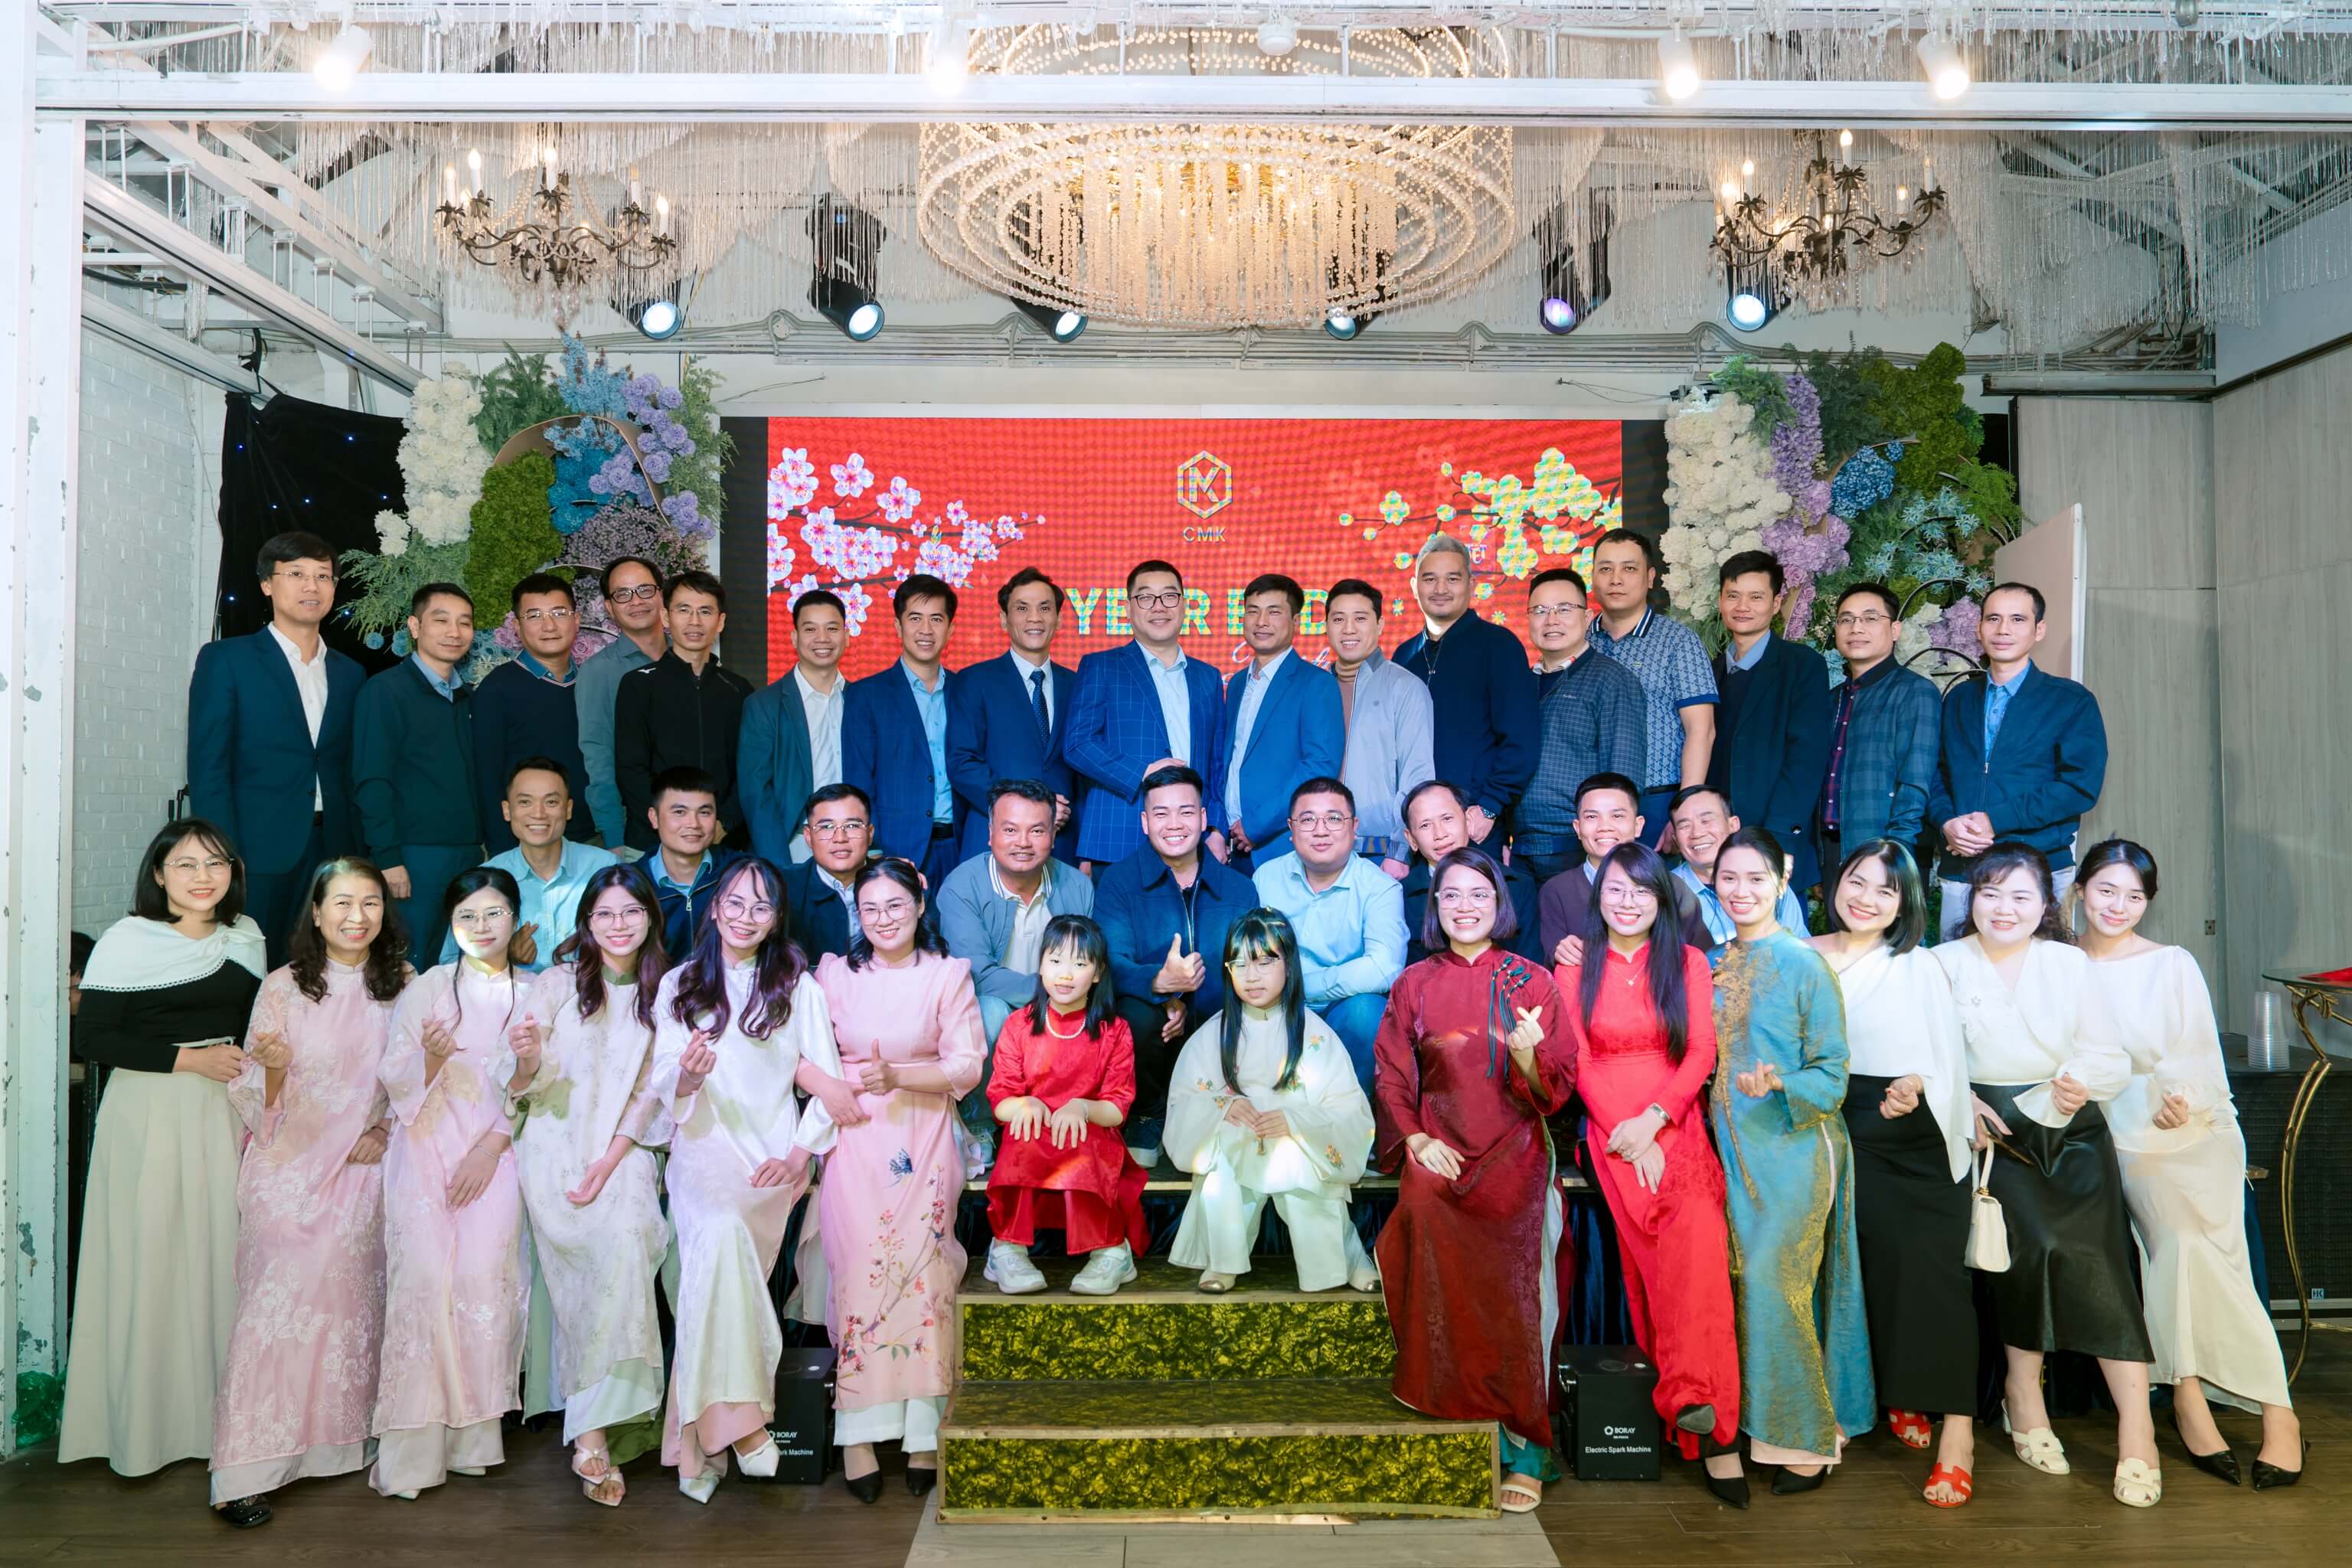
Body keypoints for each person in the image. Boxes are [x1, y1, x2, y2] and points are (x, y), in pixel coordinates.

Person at [1935, 844, 2160, 1508]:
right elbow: (1924, 1054)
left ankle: (2138, 1429)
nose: (2004, 909)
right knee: (2026, 1257)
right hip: (1994, 1136)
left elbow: (2109, 1056)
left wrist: (2079, 1083)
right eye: (1990, 893)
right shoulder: (1941, 963)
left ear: (2046, 904)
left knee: (2102, 1262)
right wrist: (1961, 1101)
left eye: (2020, 896)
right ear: (1971, 898)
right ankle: (2022, 1394)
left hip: (2073, 1132)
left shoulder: (2068, 963)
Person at [2075, 839, 2301, 1489]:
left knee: (2217, 1247)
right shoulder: (2060, 966)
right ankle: (2192, 1395)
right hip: (2121, 1136)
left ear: (2149, 902)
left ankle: (2275, 1412)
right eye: (2106, 891)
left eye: (2134, 896)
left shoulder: (2171, 963)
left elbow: (2198, 1055)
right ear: (2080, 889)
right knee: (2179, 1242)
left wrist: (2181, 1102)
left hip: (2196, 1125)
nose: (2118, 906)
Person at [60, 821, 267, 1476]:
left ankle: (219, 1427)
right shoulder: (127, 941)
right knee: (150, 1257)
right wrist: (188, 1060)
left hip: (222, 1112)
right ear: (158, 874)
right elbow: (94, 1038)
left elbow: (258, 1025)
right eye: (185, 865)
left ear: (233, 872)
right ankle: (143, 1432)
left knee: (218, 1256)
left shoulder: (246, 936)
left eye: (215, 864)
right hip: (148, 1110)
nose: (203, 877)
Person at [1373, 847, 1576, 1512]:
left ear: (1499, 904)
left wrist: (1526, 1055)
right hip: (1440, 1150)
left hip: (1516, 1152)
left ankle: (1528, 1444)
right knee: (1424, 1210)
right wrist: (1417, 1139)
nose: (1465, 906)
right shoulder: (1413, 983)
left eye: (1479, 894)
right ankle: (1455, 1409)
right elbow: (1392, 1077)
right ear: (1435, 906)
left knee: (1519, 1287)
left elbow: (1553, 1093)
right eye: (1451, 895)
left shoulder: (1533, 981)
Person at [208, 858, 406, 1528]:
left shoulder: (406, 985)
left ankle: (337, 1446)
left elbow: (421, 1082)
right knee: (276, 1308)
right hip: (287, 1166)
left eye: (370, 902)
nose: (357, 916)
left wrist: (384, 1127)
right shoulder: (283, 987)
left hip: (362, 1166)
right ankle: (243, 1470)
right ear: (316, 914)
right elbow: (254, 1097)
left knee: (349, 1298)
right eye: (342, 903)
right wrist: (272, 1072)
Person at [652, 856, 852, 1503]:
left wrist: (798, 1157)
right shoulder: (681, 983)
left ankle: (697, 1451)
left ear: (776, 918)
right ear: (714, 908)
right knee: (719, 1240)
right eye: (734, 903)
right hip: (702, 1153)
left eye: (761, 907)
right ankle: (742, 1429)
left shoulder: (797, 985)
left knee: (710, 1280)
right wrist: (687, 1074)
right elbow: (663, 1082)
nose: (745, 916)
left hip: (770, 1161)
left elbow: (826, 1082)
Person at [1554, 843, 1745, 1507]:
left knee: (1697, 1244)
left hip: (1676, 1119)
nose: (1628, 901)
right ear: (1598, 897)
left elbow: (1701, 1051)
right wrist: (1630, 1135)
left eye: (1642, 890)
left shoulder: (1687, 962)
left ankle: (1707, 1416)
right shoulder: (1573, 968)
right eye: (1615, 889)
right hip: (1612, 1132)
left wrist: (1658, 1119)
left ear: (1662, 899)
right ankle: (1697, 1419)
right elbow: (1578, 1062)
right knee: (1654, 1261)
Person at [1810, 839, 1979, 1508]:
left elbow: (1946, 1058)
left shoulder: (1920, 965)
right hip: (1827, 1121)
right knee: (1863, 1270)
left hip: (1912, 1131)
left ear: (1906, 903)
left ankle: (1959, 1433)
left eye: (1886, 890)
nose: (1867, 899)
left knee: (1933, 1275)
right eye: (1858, 881)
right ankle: (1897, 1391)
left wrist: (1914, 1087)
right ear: (1836, 882)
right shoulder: (1800, 955)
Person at [812, 858, 988, 1500]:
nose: (883, 919)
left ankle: (922, 1435)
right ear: (856, 914)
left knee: (924, 1272)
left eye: (895, 905)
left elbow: (966, 1066)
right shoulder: (834, 975)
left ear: (919, 905)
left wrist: (899, 1077)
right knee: (861, 1270)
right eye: (870, 908)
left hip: (923, 1129)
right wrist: (833, 1086)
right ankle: (857, 1436)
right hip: (855, 1130)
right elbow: (801, 1053)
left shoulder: (947, 975)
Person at [1707, 826, 1873, 1491]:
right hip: (1730, 1151)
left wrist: (1780, 1084)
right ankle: (1767, 1427)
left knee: (1777, 1284)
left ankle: (1808, 1439)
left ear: (1782, 881)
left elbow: (1833, 1075)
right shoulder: (1711, 962)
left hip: (1797, 1148)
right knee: (1744, 1286)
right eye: (1728, 878)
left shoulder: (1805, 964)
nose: (1741, 891)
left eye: (1756, 878)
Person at [513, 865, 675, 1507]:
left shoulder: (665, 991)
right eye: (604, 914)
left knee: (629, 1240)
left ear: (650, 918)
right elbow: (523, 1077)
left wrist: (609, 1161)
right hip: (553, 1145)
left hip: (624, 1149)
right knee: (581, 1277)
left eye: (631, 912)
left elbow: (651, 1093)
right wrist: (527, 1056)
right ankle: (592, 1432)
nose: (618, 925)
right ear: (586, 922)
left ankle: (594, 1431)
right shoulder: (555, 984)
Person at [371, 869, 533, 1498]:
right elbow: (395, 1078)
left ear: (515, 919)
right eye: (467, 915)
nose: (481, 926)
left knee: (483, 1285)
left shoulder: (537, 993)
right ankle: (413, 1454)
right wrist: (432, 1057)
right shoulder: (428, 988)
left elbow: (543, 1088)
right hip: (423, 1153)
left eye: (494, 914)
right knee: (423, 1287)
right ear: (450, 923)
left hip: (498, 1157)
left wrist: (491, 1149)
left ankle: (473, 1441)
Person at [1165, 909, 1378, 1294]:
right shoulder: (1214, 1035)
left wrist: (1296, 1123)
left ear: (1289, 964)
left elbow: (1346, 1109)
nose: (1252, 976)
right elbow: (1185, 1102)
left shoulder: (1315, 1035)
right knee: (1226, 1154)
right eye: (1239, 964)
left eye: (1265, 962)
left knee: (1299, 1155)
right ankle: (1222, 1260)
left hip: (1294, 1138)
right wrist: (1224, 1108)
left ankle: (1344, 1256)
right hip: (1238, 1137)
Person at [186, 531, 365, 963]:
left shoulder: (351, 673)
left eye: (323, 576)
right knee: (252, 967)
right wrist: (223, 855)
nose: (311, 586)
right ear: (267, 584)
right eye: (297, 574)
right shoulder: (227, 659)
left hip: (334, 848)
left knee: (325, 969)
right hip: (257, 848)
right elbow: (209, 767)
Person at [1091, 764, 1257, 1163]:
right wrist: (1161, 985)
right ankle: (1148, 1113)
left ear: (1203, 818)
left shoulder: (1239, 889)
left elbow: (1252, 965)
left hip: (1221, 1031)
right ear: (1145, 822)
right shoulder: (1119, 881)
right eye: (1161, 814)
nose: (1175, 824)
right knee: (1133, 1013)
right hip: (1157, 1035)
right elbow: (1111, 961)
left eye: (1186, 812)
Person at [1926, 583, 2109, 939]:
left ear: (2039, 630)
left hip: (2039, 869)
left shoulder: (2071, 701)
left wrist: (1996, 820)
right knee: (1958, 969)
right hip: (1963, 869)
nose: (2003, 629)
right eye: (1993, 618)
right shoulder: (1959, 698)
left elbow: (2080, 787)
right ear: (1979, 628)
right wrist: (1946, 820)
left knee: (2040, 970)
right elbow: (1936, 774)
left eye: (2018, 619)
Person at [982, 915, 1149, 1295]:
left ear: (1097, 972)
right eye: (1056, 960)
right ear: (1041, 965)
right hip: (1035, 1135)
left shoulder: (1114, 1030)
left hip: (1090, 1133)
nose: (1066, 973)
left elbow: (1117, 1106)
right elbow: (1000, 1099)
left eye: (1080, 963)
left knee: (1081, 1136)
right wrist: (1023, 1104)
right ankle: (1007, 1249)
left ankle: (1110, 1251)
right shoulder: (1019, 1025)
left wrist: (1084, 1109)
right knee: (1022, 1134)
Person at [1064, 560, 1229, 868]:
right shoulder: (1102, 666)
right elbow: (1078, 744)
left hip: (1194, 839)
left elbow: (1216, 763)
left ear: (1184, 605)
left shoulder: (1208, 677)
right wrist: (1143, 772)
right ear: (1128, 609)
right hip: (1118, 836)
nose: (1159, 606)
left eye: (1169, 596)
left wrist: (1218, 829)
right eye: (1145, 597)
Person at [352, 582, 483, 965]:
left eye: (464, 623)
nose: (454, 632)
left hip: (468, 853)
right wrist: (388, 858)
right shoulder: (385, 691)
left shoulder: (468, 697)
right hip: (414, 857)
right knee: (410, 965)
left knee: (463, 963)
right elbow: (372, 780)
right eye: (441, 620)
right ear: (414, 626)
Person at [1250, 778, 1406, 1092]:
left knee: (1367, 1012)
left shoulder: (1380, 888)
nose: (1321, 830)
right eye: (1307, 820)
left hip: (1342, 1006)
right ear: (1291, 829)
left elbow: (1384, 968)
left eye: (1334, 818)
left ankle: (1350, 1113)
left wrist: (1304, 985)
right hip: (1276, 1002)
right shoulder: (1266, 878)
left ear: (1354, 827)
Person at [1391, 534, 1537, 848]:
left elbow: (1521, 739)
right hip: (1417, 826)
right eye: (1430, 579)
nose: (1440, 589)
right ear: (1415, 586)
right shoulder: (1404, 656)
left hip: (1475, 821)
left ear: (1471, 584)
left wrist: (1490, 806)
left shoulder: (1500, 646)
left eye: (1452, 579)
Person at [937, 780, 1096, 1048]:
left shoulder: (1077, 886)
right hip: (998, 1003)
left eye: (1037, 831)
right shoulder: (962, 887)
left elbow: (1089, 963)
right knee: (991, 1011)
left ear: (1053, 836)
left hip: (1061, 1006)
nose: (1023, 843)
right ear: (991, 833)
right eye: (1010, 830)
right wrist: (1056, 990)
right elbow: (977, 975)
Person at [1707, 553, 1832, 890]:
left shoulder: (1801, 666)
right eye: (1733, 596)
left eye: (1756, 597)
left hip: (1774, 840)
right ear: (1721, 601)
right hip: (1718, 843)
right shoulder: (1711, 669)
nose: (1742, 606)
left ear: (1776, 603)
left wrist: (1780, 839)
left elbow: (1806, 759)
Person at [1516, 566, 1647, 884]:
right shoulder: (1520, 683)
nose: (1551, 620)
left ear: (1588, 617)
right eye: (1540, 611)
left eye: (1564, 609)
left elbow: (1624, 775)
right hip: (1520, 849)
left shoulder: (1611, 679)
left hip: (1578, 849)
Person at [1586, 528, 1717, 841]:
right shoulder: (1580, 641)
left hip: (1658, 801)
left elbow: (1702, 730)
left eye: (1629, 569)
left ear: (1650, 577)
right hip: (1590, 805)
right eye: (1606, 569)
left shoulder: (1678, 641)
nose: (1616, 579)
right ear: (1592, 577)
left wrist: (1685, 811)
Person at [947, 567, 1080, 863]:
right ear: (1004, 620)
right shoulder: (975, 681)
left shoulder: (1077, 684)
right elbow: (963, 763)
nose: (1034, 617)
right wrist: (1032, 806)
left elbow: (1083, 773)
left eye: (1045, 608)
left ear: (1059, 619)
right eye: (1022, 608)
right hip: (993, 841)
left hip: (1064, 845)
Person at [614, 570, 753, 854]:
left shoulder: (740, 690)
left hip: (723, 841)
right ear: (666, 617)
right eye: (684, 610)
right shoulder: (638, 684)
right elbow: (630, 768)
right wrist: (668, 821)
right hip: (652, 840)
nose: (694, 621)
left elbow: (749, 769)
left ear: (720, 621)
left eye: (705, 611)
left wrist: (724, 822)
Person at [436, 759, 618, 974]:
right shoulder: (485, 880)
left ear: (568, 809)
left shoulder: (605, 867)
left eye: (551, 802)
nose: (538, 813)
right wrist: (501, 958)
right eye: (525, 802)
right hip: (511, 994)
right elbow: (449, 964)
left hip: (588, 990)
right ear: (507, 810)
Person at [843, 574, 963, 885]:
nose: (926, 630)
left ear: (950, 629)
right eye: (915, 618)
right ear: (898, 626)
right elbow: (859, 781)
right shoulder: (866, 695)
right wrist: (874, 849)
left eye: (936, 619)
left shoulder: (968, 691)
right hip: (895, 849)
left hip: (962, 846)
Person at [1815, 583, 1940, 877]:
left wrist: (1897, 853)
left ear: (1895, 630)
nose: (1856, 628)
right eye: (1846, 619)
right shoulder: (1832, 699)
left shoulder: (1915, 692)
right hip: (1833, 852)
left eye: (1870, 618)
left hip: (1888, 852)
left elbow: (1916, 782)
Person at [1220, 573, 1344, 870]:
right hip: (1228, 845)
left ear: (1296, 622)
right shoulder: (1236, 684)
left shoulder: (1316, 683)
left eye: (1274, 612)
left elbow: (1319, 766)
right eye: (1253, 611)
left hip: (1278, 845)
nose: (1261, 621)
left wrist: (1256, 825)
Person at [470, 573, 592, 854]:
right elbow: (486, 779)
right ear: (516, 626)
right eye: (534, 616)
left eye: (559, 613)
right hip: (525, 846)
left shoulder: (591, 683)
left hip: (591, 840)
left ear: (576, 620)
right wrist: (503, 855)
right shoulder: (496, 689)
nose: (549, 626)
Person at [1534, 773, 1708, 964]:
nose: (1605, 827)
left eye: (1617, 816)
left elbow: (1705, 960)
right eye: (1592, 816)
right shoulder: (1557, 890)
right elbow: (1546, 962)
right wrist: (1558, 951)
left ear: (1638, 826)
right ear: (1578, 828)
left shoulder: (1671, 887)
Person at [1322, 577, 1432, 871]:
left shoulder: (1405, 687)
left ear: (1380, 624)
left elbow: (1417, 775)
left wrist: (1399, 851)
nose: (1349, 629)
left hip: (1379, 851)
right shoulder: (1315, 687)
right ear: (1326, 625)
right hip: (1318, 846)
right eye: (1339, 619)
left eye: (1360, 618)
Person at [738, 588, 848, 867]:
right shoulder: (764, 705)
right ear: (794, 638)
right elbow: (756, 794)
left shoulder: (862, 700)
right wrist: (778, 866)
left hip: (853, 844)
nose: (822, 638)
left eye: (832, 628)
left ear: (846, 636)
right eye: (810, 629)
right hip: (792, 845)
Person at [1397, 779, 1541, 964]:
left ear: (1468, 820)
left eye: (1447, 819)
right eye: (1425, 825)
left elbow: (1531, 968)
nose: (1440, 834)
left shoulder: (1517, 886)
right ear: (1411, 839)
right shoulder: (1400, 896)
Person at [577, 557, 667, 852]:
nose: (636, 601)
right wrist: (614, 835)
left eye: (645, 590)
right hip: (634, 830)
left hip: (695, 824)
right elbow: (598, 756)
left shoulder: (689, 659)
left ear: (661, 595)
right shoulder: (598, 671)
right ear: (609, 607)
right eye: (623, 594)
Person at [1666, 785, 1809, 952]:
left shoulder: (1767, 879)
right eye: (1684, 826)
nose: (1697, 833)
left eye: (1706, 821)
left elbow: (1800, 949)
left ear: (1733, 825)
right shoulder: (1666, 891)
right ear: (1675, 838)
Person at [642, 767, 746, 958]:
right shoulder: (632, 882)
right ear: (654, 818)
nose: (694, 824)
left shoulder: (742, 872)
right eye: (680, 812)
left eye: (704, 812)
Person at [779, 782, 873, 962]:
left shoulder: (898, 883)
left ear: (870, 834)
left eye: (852, 826)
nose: (840, 838)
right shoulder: (782, 886)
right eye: (827, 827)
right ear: (808, 836)